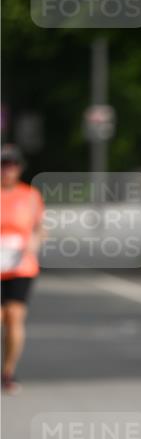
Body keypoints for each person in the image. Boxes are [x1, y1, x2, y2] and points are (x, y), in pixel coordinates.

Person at [1, 143, 45, 394]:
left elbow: (39, 227)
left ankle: (7, 372)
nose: (7, 170)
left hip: (20, 265)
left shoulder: (29, 195)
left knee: (14, 316)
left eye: (12, 165)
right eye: (3, 165)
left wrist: (33, 245)